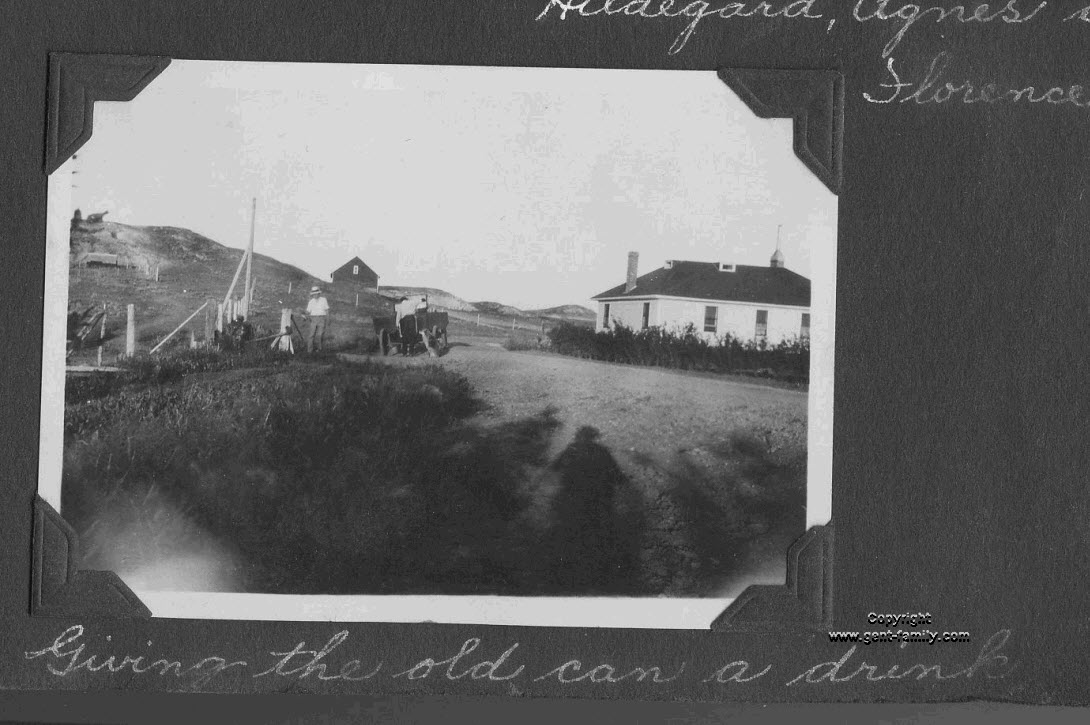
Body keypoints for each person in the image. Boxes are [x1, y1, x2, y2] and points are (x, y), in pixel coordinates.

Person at [305, 285, 329, 352]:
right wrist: (304, 314)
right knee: (311, 335)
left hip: (321, 319)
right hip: (313, 319)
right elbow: (308, 311)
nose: (315, 295)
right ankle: (309, 351)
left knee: (319, 335)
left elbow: (327, 310)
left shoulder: (323, 300)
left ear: (319, 293)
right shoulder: (311, 302)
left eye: (316, 294)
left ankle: (319, 349)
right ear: (312, 295)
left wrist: (328, 320)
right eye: (314, 294)